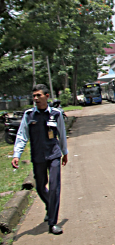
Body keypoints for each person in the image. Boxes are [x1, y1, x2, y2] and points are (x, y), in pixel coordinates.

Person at [11, 84, 68, 235]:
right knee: (40, 186)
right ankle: (50, 206)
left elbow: (62, 133)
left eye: (38, 95)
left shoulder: (56, 113)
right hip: (38, 157)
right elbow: (22, 136)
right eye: (34, 96)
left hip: (54, 154)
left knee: (55, 187)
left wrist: (65, 152)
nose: (35, 98)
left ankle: (53, 223)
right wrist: (17, 154)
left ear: (47, 96)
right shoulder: (29, 115)